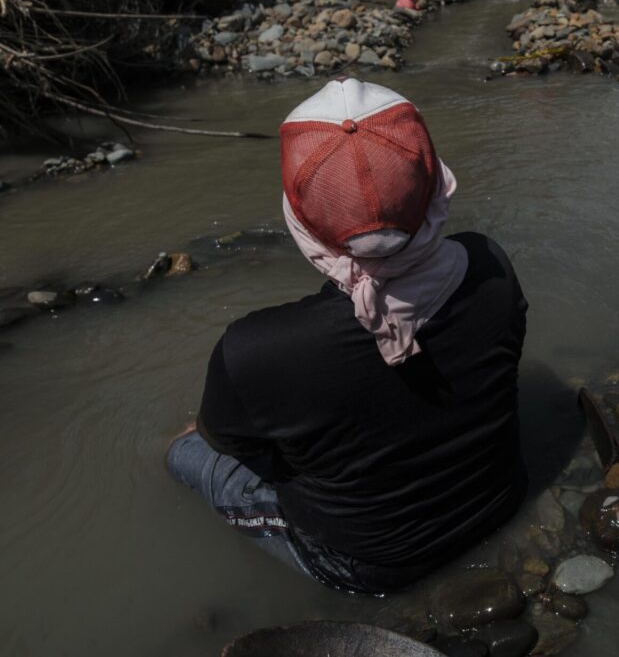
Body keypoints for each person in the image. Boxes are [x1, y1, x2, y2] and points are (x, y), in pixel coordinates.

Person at [166, 77, 529, 593]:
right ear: (435, 188)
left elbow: (229, 442)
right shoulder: (490, 265)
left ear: (301, 223)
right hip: (501, 499)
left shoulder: (254, 350)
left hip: (366, 564)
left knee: (185, 449)